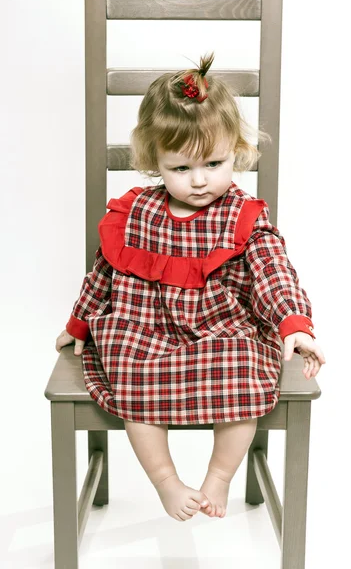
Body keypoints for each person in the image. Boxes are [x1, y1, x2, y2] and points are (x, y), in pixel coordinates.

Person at [56, 51, 326, 523]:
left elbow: (273, 269)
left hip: (224, 328)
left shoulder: (243, 214)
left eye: (214, 163)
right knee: (131, 378)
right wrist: (79, 324)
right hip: (146, 329)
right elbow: (103, 273)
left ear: (235, 151)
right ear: (153, 161)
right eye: (180, 169)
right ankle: (166, 480)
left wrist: (294, 324)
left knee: (245, 373)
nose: (200, 181)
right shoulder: (136, 211)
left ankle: (218, 476)